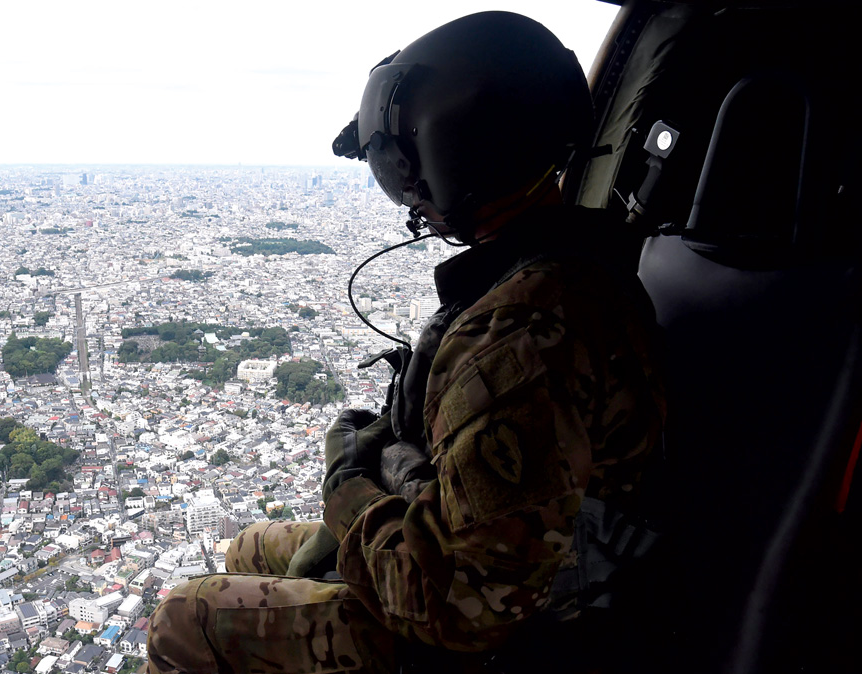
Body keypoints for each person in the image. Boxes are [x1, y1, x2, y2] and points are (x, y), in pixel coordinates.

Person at [147, 11, 664, 674]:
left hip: (519, 634)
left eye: (404, 163)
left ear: (454, 155)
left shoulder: (519, 339)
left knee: (182, 622)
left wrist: (349, 484)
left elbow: (455, 601)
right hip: (527, 563)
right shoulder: (576, 262)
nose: (405, 191)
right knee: (248, 549)